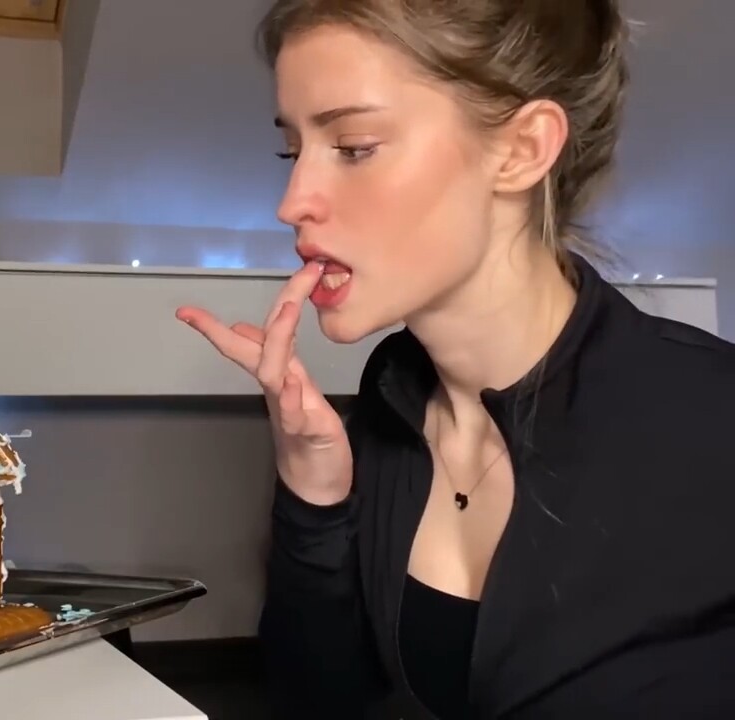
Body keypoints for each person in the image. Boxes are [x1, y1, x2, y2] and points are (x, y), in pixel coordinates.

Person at [176, 1, 735, 718]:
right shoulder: (384, 409)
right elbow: (317, 699)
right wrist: (313, 497)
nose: (292, 203)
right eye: (292, 151)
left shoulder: (713, 422)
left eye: (353, 146)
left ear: (523, 148)